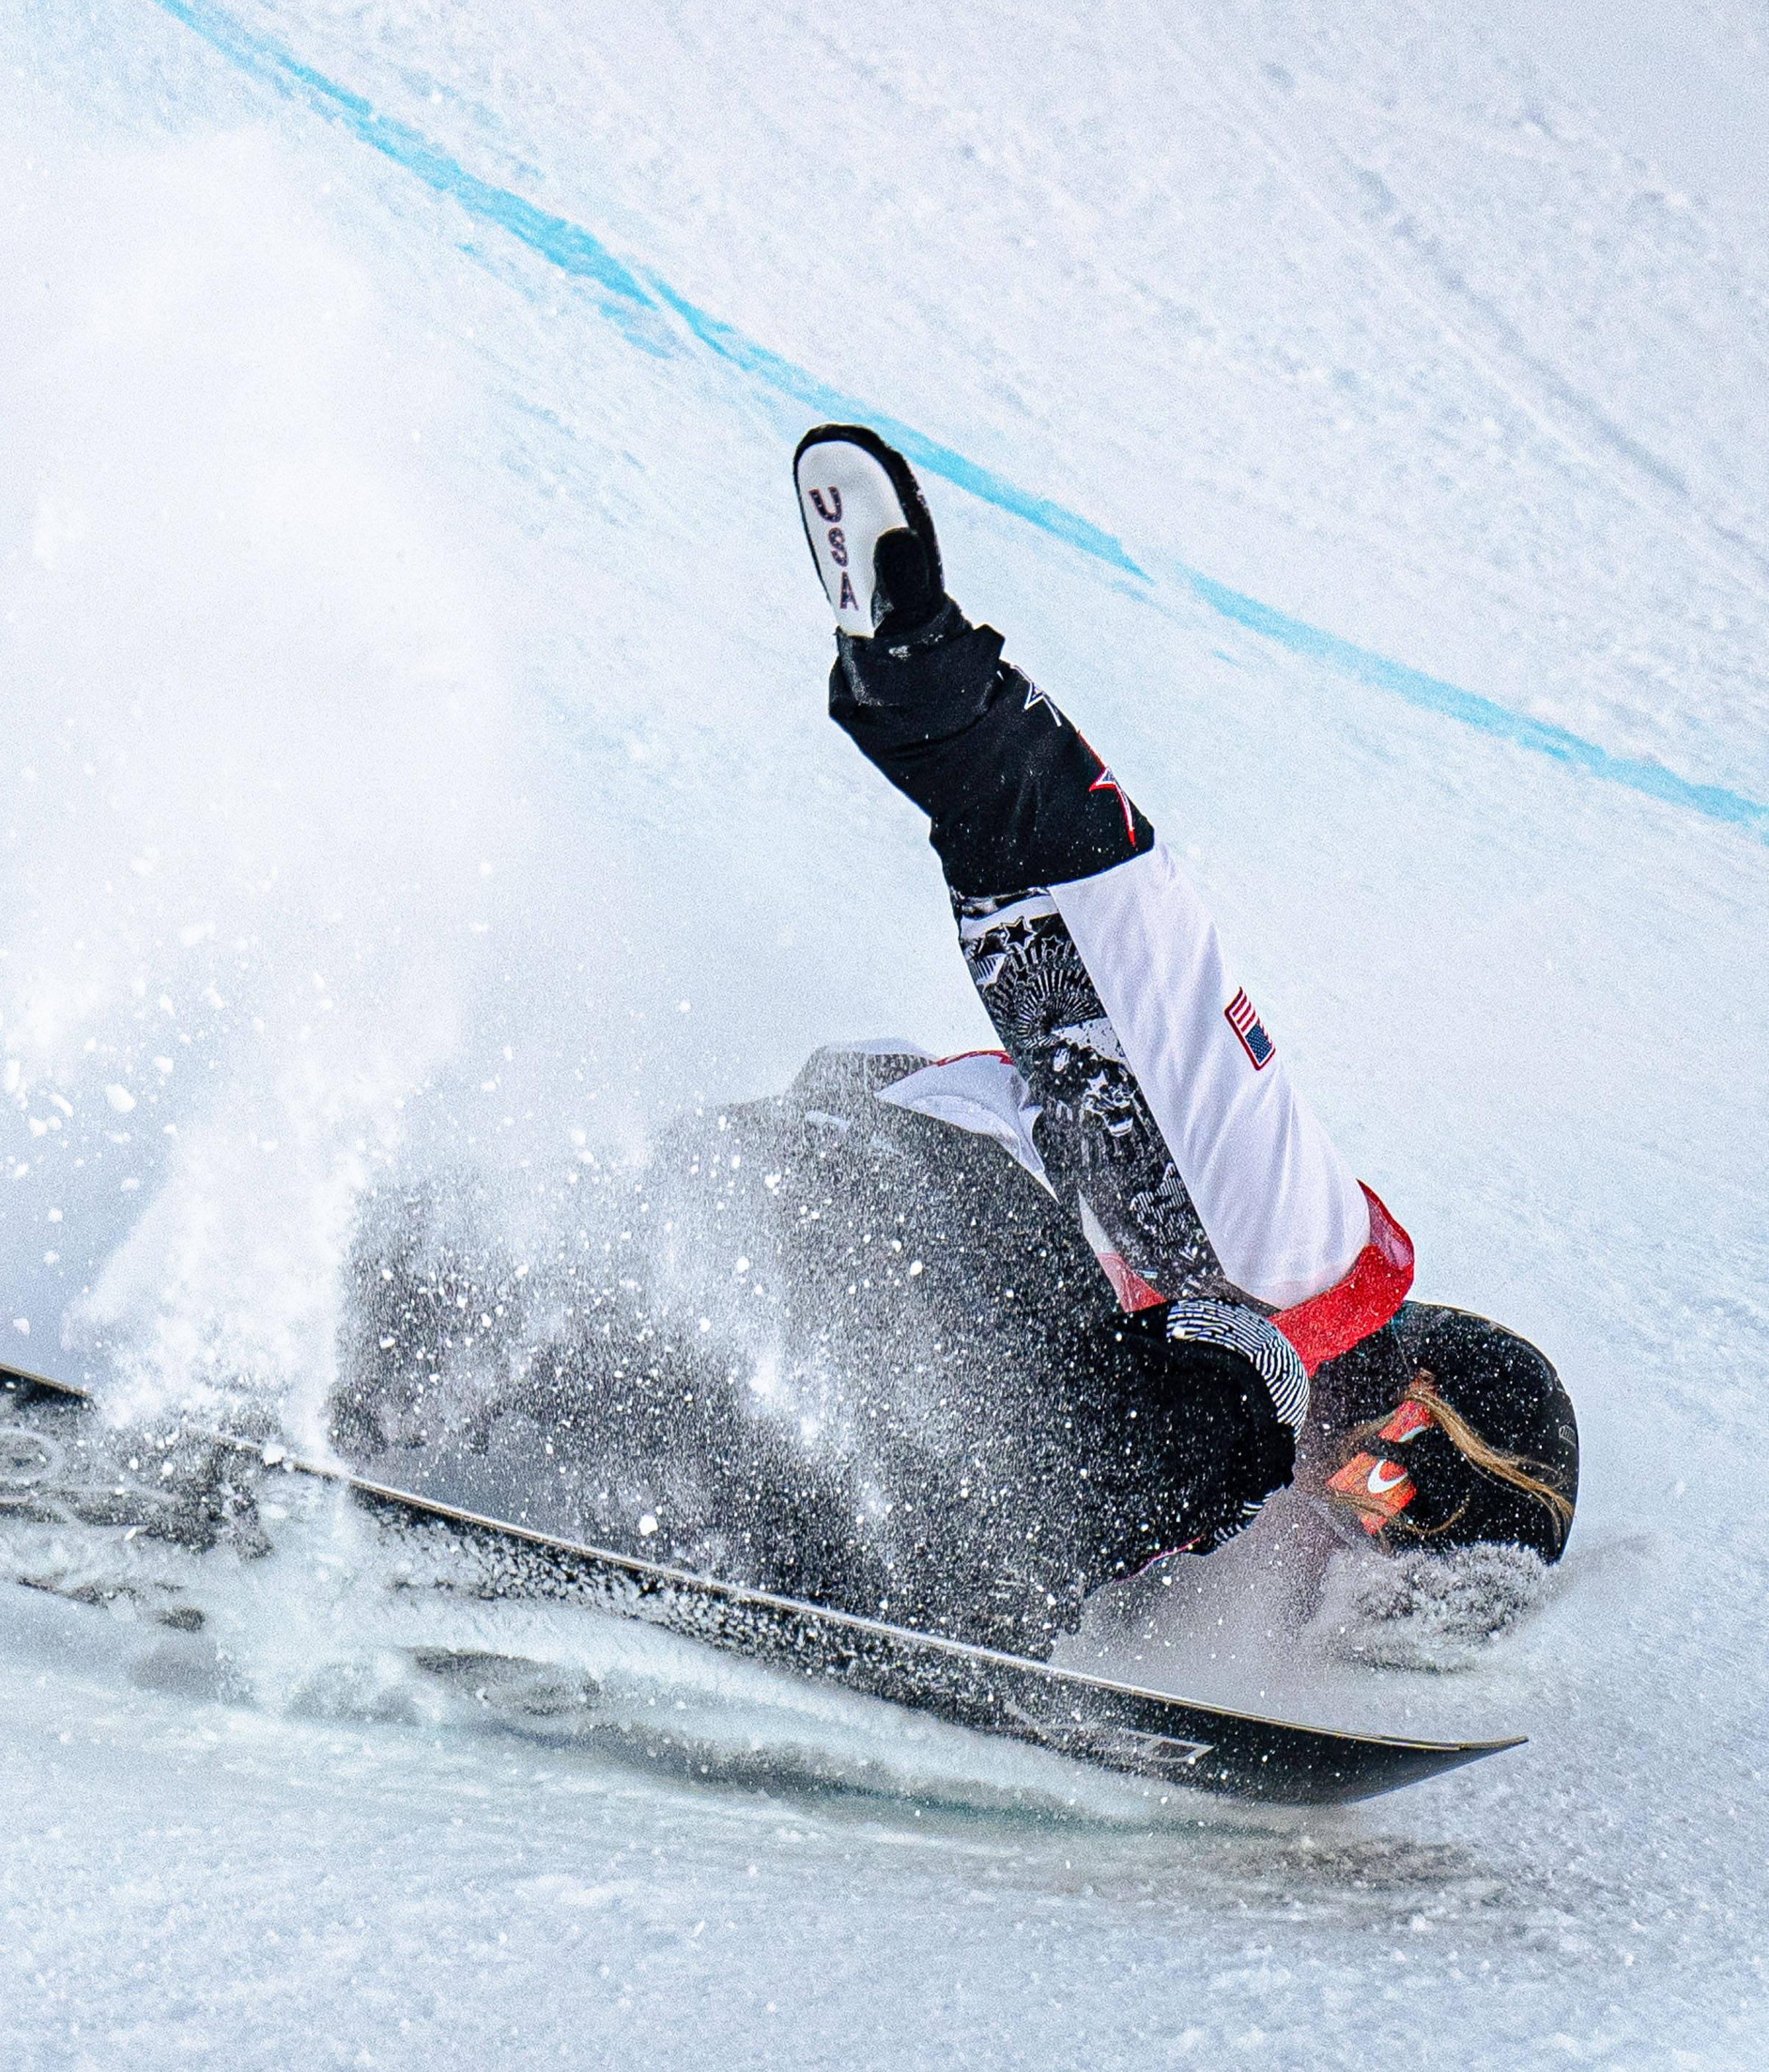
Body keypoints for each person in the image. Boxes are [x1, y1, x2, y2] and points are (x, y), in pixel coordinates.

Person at [329, 426, 1579, 1659]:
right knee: (1201, 1427)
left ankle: (303, 1344)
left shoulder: (1232, 1361)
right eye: (1377, 1515)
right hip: (901, 1239)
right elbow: (1120, 944)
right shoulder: (1294, 1258)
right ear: (1400, 1432)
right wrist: (943, 696)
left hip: (799, 1209)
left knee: (559, 1321)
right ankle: (829, 1578)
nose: (1328, 1551)